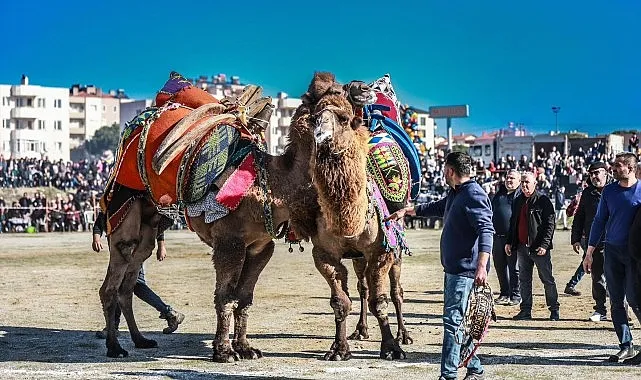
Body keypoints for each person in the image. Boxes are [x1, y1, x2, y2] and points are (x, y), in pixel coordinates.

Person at [387, 152, 493, 380]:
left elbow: (486, 230)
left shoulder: (473, 195)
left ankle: (448, 375)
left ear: (450, 171)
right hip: (454, 270)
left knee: (453, 321)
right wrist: (408, 211)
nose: (444, 173)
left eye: (445, 169)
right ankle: (475, 368)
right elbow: (437, 207)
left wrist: (482, 266)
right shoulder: (457, 194)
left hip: (465, 272)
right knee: (457, 321)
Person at [584, 152, 641, 363]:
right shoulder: (609, 191)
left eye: (618, 166)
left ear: (630, 168)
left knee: (636, 300)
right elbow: (599, 221)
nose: (613, 169)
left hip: (635, 256)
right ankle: (626, 346)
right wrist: (589, 252)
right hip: (612, 252)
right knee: (616, 301)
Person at [92, 210, 184, 337]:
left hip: (133, 250)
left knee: (132, 284)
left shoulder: (136, 199)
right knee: (128, 285)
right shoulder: (113, 197)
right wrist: (96, 236)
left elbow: (153, 223)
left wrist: (161, 245)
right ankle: (169, 313)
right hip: (119, 252)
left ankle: (113, 327)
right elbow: (101, 218)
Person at [506, 171, 560, 321]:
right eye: (522, 182)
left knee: (547, 279)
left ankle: (554, 309)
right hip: (522, 247)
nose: (524, 185)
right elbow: (513, 224)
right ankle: (525, 310)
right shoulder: (518, 201)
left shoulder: (543, 200)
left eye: (527, 182)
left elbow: (550, 225)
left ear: (535, 183)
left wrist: (544, 244)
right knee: (524, 280)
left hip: (539, 248)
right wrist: (510, 242)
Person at [564, 162, 609, 320]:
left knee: (620, 278)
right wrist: (575, 238)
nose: (595, 176)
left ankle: (622, 311)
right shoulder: (588, 193)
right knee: (597, 278)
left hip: (616, 241)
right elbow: (579, 216)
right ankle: (600, 310)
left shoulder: (615, 189)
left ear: (606, 172)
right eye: (592, 174)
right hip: (594, 242)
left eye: (597, 172)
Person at [491, 169, 521, 306]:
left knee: (514, 267)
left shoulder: (520, 196)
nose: (509, 180)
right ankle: (504, 293)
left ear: (519, 181)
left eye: (512, 178)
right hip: (497, 237)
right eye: (508, 177)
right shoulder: (499, 194)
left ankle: (516, 295)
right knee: (500, 266)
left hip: (513, 238)